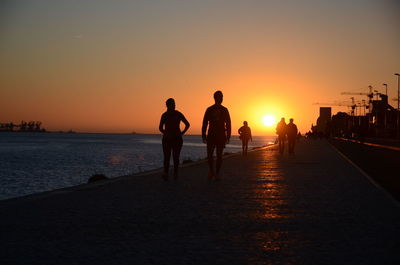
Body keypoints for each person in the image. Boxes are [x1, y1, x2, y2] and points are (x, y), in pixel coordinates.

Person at [202, 90, 231, 180]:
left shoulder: (225, 110)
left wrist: (228, 135)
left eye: (222, 97)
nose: (221, 98)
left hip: (221, 135)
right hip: (211, 135)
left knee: (219, 155)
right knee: (210, 155)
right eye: (219, 97)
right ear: (215, 98)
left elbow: (228, 123)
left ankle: (217, 173)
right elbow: (205, 122)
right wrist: (203, 134)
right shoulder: (209, 109)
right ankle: (211, 171)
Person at [159, 98, 190, 180]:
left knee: (175, 157)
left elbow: (187, 124)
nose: (174, 105)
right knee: (167, 157)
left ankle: (175, 174)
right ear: (167, 105)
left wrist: (182, 133)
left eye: (174, 103)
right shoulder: (164, 115)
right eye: (172, 104)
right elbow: (160, 128)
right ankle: (166, 173)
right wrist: (166, 133)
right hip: (167, 139)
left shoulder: (178, 114)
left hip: (177, 139)